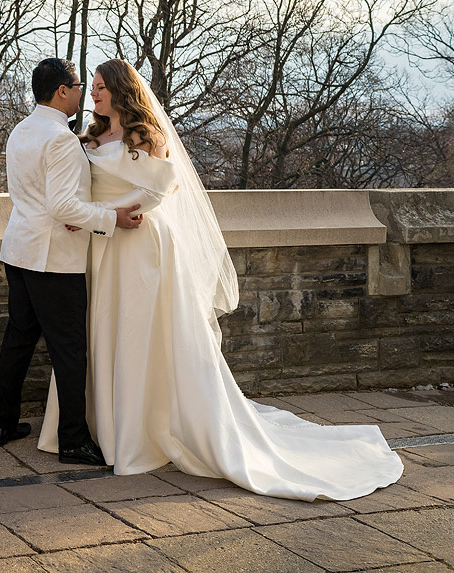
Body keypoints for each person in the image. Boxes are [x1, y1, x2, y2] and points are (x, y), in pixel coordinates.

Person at [38, 58, 403, 500]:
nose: (92, 94)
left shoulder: (145, 136)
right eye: (90, 86)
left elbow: (159, 190)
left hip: (139, 243)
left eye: (99, 86)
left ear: (120, 89)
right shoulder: (90, 137)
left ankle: (140, 433)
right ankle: (102, 427)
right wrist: (95, 218)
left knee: (138, 334)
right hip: (103, 244)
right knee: (101, 332)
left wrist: (118, 215)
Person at [0, 58, 143, 463]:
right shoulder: (59, 139)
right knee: (70, 350)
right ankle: (73, 440)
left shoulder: (22, 130)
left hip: (19, 250)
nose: (83, 93)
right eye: (78, 85)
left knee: (18, 340)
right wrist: (111, 218)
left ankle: (2, 424)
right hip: (52, 258)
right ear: (62, 91)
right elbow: (62, 206)